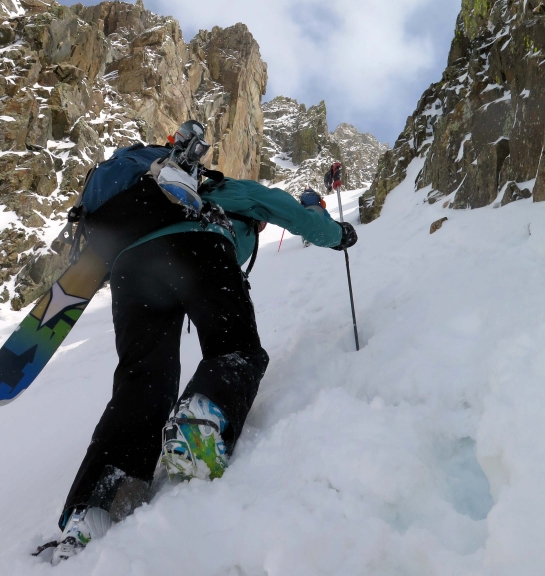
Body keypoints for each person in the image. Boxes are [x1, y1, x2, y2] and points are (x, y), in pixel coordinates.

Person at [51, 120, 357, 565]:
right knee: (235, 347)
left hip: (130, 266)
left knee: (142, 378)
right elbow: (287, 211)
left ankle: (95, 505)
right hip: (198, 246)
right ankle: (202, 419)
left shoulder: (150, 192)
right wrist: (337, 235)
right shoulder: (225, 189)